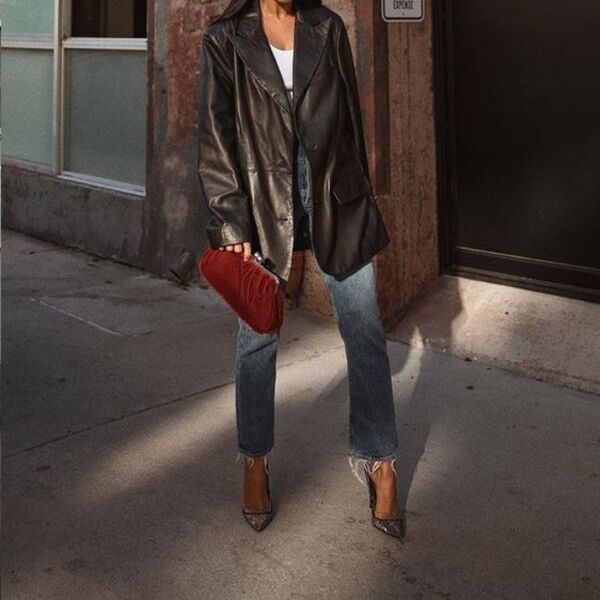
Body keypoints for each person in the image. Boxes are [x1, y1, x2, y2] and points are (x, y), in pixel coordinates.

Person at [197, 0, 403, 538]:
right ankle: (255, 460)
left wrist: (361, 198)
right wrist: (230, 221)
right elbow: (216, 135)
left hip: (335, 195)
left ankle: (380, 462)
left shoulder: (326, 26)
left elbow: (350, 120)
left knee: (364, 329)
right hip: (264, 203)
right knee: (257, 337)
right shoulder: (225, 37)